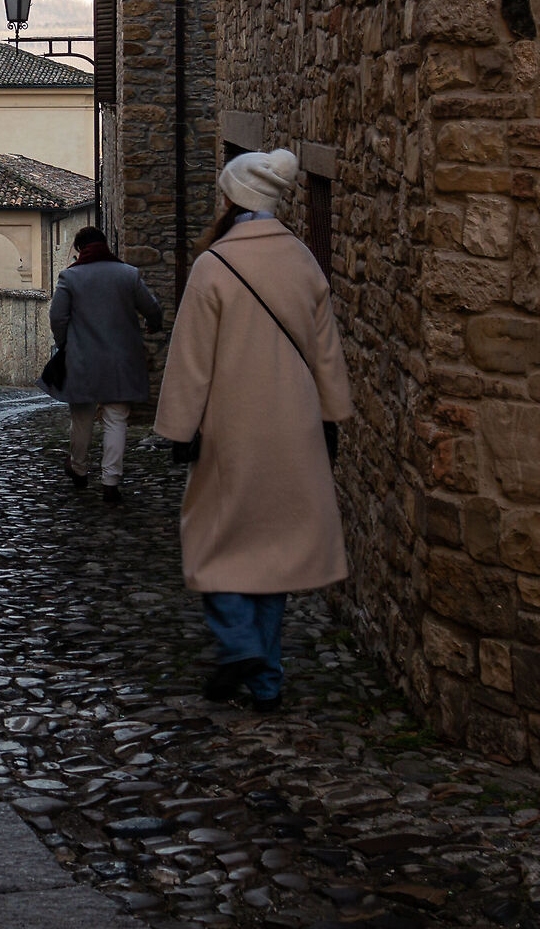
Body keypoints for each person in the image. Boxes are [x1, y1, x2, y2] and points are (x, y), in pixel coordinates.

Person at [153, 148, 352, 712]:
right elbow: (326, 352)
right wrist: (333, 415)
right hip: (296, 426)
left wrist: (177, 428)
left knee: (215, 543)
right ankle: (266, 682)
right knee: (274, 555)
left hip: (229, 428)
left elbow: (191, 359)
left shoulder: (215, 266)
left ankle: (239, 645)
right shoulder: (303, 262)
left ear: (231, 198)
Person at [47, 225, 163, 505]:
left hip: (82, 359)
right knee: (116, 419)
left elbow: (57, 317)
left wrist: (65, 343)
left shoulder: (70, 277)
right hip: (121, 360)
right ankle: (111, 480)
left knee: (82, 418)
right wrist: (152, 325)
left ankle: (78, 467)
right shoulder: (128, 275)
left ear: (78, 249)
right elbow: (151, 308)